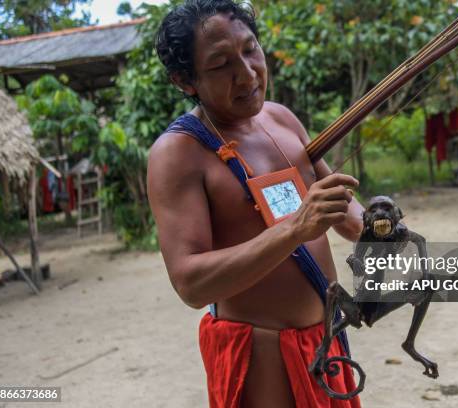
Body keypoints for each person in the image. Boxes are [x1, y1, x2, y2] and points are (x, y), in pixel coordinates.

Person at [148, 1, 364, 406]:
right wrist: (296, 228)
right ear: (184, 80)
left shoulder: (281, 119)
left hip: (325, 341)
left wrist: (377, 227)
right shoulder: (178, 153)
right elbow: (190, 283)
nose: (247, 74)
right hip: (261, 354)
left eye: (250, 50)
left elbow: (343, 209)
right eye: (220, 65)